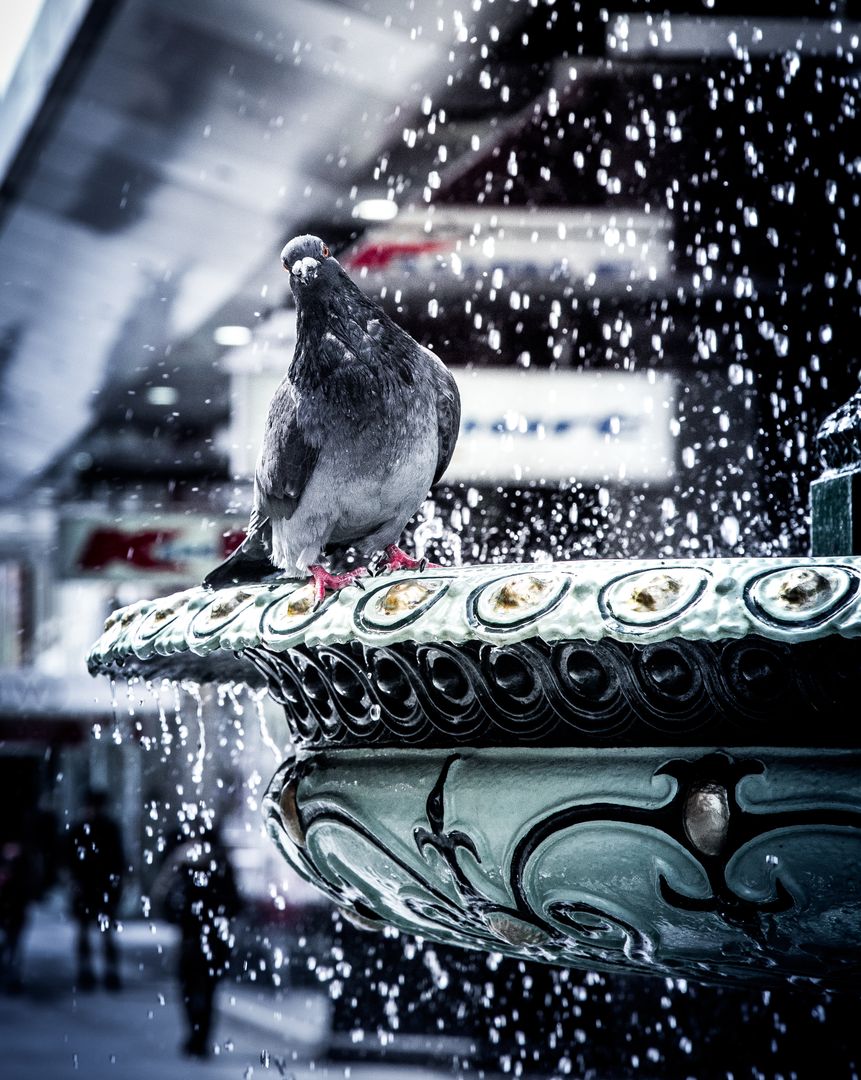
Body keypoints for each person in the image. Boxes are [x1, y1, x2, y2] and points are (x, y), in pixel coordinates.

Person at [153, 822, 242, 1058]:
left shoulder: (184, 866)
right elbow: (235, 903)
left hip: (191, 938)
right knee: (209, 989)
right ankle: (201, 1036)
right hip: (214, 938)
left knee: (189, 987)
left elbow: (165, 897)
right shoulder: (221, 865)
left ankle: (195, 1034)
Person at [67, 789, 125, 991]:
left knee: (102, 932)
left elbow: (118, 859)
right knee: (92, 932)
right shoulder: (93, 828)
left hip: (96, 886)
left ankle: (102, 973)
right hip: (91, 886)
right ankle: (91, 972)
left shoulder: (99, 828)